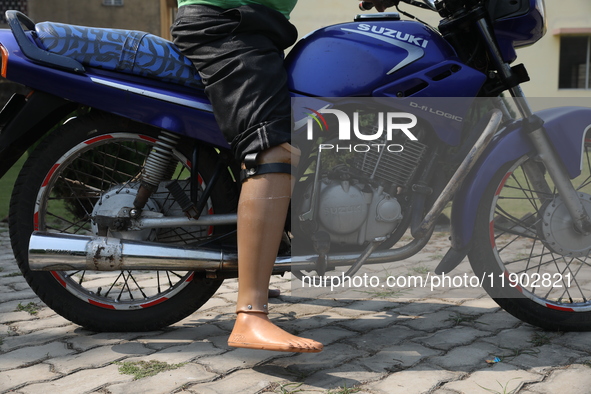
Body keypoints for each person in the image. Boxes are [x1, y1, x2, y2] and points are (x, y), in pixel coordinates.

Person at [171, 0, 390, 353]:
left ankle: (265, 255)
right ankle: (250, 316)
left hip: (253, 25)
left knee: (297, 132)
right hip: (228, 25)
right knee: (271, 152)